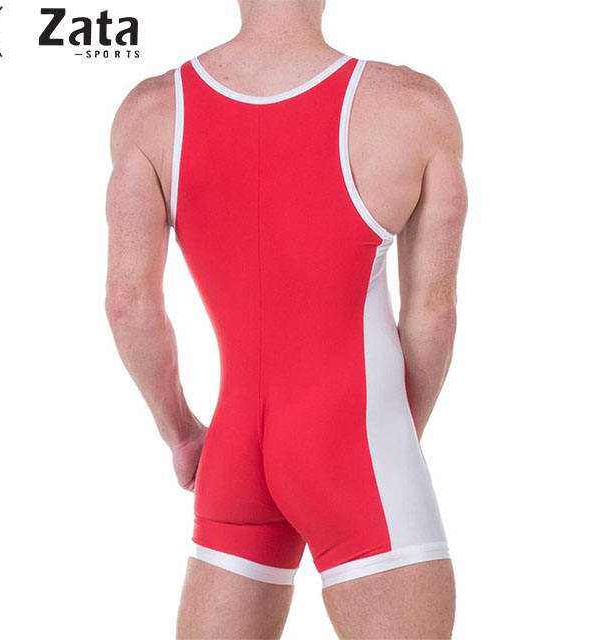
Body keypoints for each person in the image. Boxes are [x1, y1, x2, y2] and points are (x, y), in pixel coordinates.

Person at [105, 0, 467, 637]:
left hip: (234, 454)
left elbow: (128, 303)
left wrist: (183, 434)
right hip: (353, 443)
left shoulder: (152, 111)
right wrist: (384, 444)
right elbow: (432, 314)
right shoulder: (412, 106)